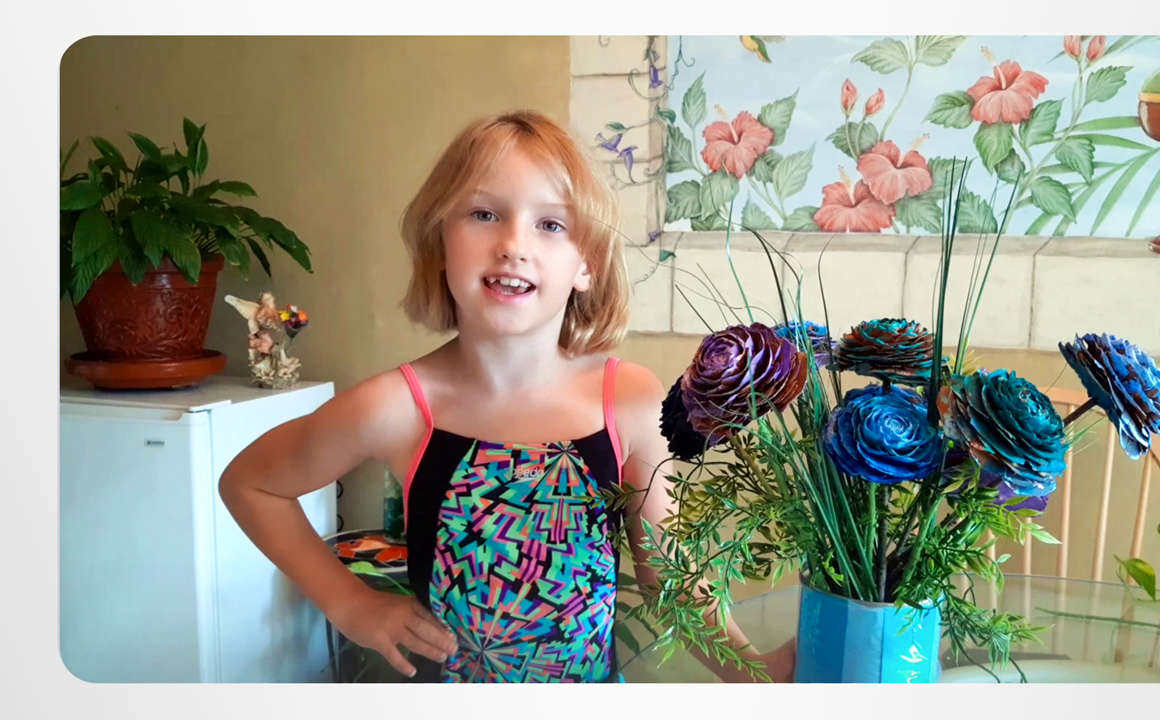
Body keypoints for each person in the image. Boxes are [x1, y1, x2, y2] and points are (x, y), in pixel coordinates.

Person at [219, 110, 794, 683]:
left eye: (551, 224)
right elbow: (250, 484)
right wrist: (349, 604)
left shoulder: (628, 399)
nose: (513, 244)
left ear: (587, 264)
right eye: (484, 214)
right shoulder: (395, 407)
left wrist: (758, 677)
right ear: (440, 243)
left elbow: (669, 578)